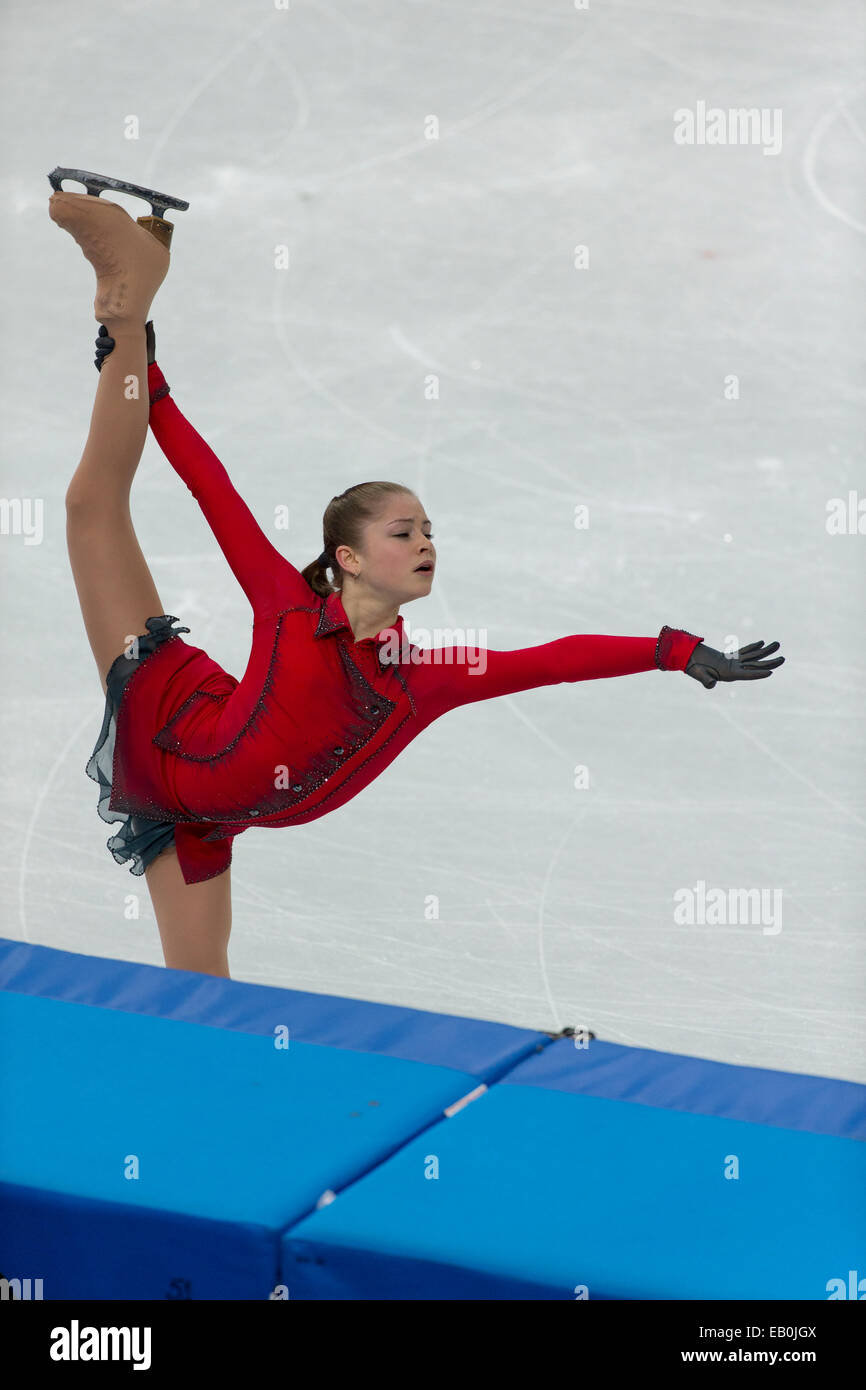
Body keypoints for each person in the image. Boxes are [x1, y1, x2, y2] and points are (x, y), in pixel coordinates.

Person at [48, 188, 785, 980]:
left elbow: (552, 658)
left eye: (430, 531)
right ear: (350, 558)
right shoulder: (287, 605)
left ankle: (136, 299)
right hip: (172, 726)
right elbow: (211, 487)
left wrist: (673, 651)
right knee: (93, 508)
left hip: (198, 816)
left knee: (201, 996)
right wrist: (145, 380)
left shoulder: (424, 677)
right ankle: (126, 308)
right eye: (404, 533)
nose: (427, 544)